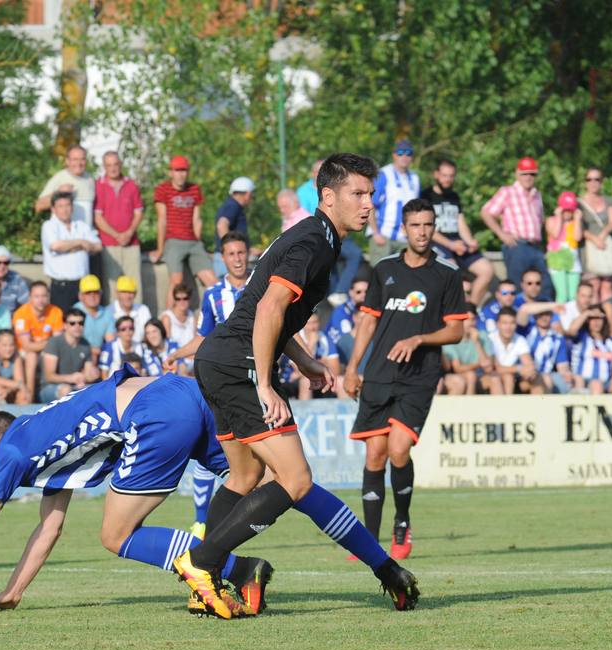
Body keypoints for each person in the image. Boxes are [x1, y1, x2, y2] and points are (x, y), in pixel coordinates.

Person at [190, 152, 420, 612]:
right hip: (239, 365)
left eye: (371, 194)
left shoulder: (319, 238)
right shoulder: (314, 240)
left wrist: (305, 360)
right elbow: (271, 308)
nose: (368, 203)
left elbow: (268, 312)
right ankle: (203, 564)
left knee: (245, 475)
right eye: (358, 193)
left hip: (218, 358)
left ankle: (206, 583)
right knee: (294, 480)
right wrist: (264, 384)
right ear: (328, 196)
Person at [0, 372, 274, 620]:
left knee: (115, 535)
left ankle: (236, 568)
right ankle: (257, 562)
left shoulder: (10, 453)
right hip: (182, 388)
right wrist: (13, 591)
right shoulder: (42, 435)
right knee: (274, 479)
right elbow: (50, 527)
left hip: (156, 410)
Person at [344, 197, 468, 558]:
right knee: (374, 455)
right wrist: (353, 368)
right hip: (380, 373)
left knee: (398, 449)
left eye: (429, 225)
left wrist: (419, 339)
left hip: (419, 377)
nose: (423, 232)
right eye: (416, 225)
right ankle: (368, 540)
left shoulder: (446, 275)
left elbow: (456, 331)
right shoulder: (384, 270)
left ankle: (401, 523)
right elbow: (367, 320)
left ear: (435, 227)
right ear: (404, 228)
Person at [168, 232, 250, 368]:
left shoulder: (262, 285)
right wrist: (175, 355)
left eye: (241, 252)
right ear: (222, 258)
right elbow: (203, 337)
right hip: (228, 368)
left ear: (247, 253)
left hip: (260, 367)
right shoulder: (213, 294)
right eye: (231, 254)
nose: (237, 259)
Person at [427, 158, 494, 308]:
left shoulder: (454, 196)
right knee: (452, 271)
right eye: (444, 175)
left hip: (457, 243)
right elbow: (427, 228)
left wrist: (470, 242)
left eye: (451, 176)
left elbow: (460, 222)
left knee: (487, 270)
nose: (448, 179)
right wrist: (451, 244)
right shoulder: (426, 196)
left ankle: (471, 311)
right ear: (436, 174)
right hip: (437, 243)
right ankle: (451, 312)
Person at [481, 156, 551, 300]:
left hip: (536, 247)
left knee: (545, 286)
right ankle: (517, 320)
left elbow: (541, 221)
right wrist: (502, 235)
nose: (528, 177)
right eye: (524, 173)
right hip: (517, 245)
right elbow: (486, 212)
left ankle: (542, 319)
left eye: (532, 173)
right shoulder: (508, 191)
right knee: (518, 288)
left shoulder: (537, 195)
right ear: (517, 173)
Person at [151, 155, 217, 291]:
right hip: (173, 241)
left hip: (193, 242)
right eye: (177, 171)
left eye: (184, 171)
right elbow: (162, 220)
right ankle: (170, 312)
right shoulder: (163, 189)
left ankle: (225, 312)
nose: (181, 175)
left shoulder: (194, 189)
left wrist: (198, 242)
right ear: (171, 172)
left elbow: (197, 219)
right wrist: (160, 249)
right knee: (177, 284)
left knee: (213, 282)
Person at [94, 152, 144, 299]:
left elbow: (138, 212)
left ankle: (137, 318)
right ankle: (114, 320)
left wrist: (128, 233)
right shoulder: (98, 185)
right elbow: (98, 217)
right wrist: (117, 235)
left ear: (120, 165)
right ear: (104, 167)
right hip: (109, 244)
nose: (113, 168)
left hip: (131, 243)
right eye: (109, 165)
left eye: (115, 164)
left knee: (134, 284)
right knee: (112, 286)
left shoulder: (131, 185)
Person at [41, 190, 101, 309]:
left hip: (83, 285)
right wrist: (81, 243)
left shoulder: (82, 226)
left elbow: (98, 246)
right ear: (53, 209)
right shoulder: (49, 226)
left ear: (72, 207)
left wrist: (69, 246)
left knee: (83, 323)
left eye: (68, 205)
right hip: (61, 287)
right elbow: (56, 246)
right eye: (60, 206)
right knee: (63, 322)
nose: (65, 209)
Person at [369, 139, 420, 264]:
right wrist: (376, 233)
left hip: (405, 239)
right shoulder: (383, 174)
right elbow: (370, 205)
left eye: (408, 153)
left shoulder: (414, 178)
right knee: (381, 277)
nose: (404, 156)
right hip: (383, 236)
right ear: (394, 154)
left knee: (403, 280)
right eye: (400, 152)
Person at [11, 280, 63, 402]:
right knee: (31, 356)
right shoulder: (21, 314)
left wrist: (43, 343)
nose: (41, 300)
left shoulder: (56, 312)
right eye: (36, 296)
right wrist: (48, 341)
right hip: (23, 352)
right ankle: (30, 395)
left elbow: (58, 343)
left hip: (47, 351)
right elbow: (27, 346)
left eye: (44, 296)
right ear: (30, 298)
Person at [576, 168, 612, 302]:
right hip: (588, 248)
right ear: (585, 182)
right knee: (593, 285)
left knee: (607, 285)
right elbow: (577, 228)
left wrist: (603, 235)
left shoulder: (608, 201)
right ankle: (595, 317)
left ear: (602, 182)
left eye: (597, 179)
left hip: (605, 245)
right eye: (589, 179)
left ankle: (608, 317)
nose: (593, 183)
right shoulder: (579, 203)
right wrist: (594, 238)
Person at [37, 309, 97, 401]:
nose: (77, 326)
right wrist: (71, 378)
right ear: (65, 325)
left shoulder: (86, 345)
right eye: (72, 323)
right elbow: (48, 376)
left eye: (81, 323)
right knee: (66, 390)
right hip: (49, 388)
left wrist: (89, 376)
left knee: (97, 390)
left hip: (74, 386)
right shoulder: (55, 342)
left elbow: (88, 373)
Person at [34, 143, 94, 222]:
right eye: (75, 159)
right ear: (67, 161)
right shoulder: (60, 177)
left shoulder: (90, 179)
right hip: (63, 233)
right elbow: (38, 206)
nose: (79, 163)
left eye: (82, 159)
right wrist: (59, 193)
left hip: (86, 233)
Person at [569, 309, 612, 394]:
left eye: (599, 318)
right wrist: (586, 313)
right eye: (593, 318)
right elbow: (571, 330)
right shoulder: (582, 337)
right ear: (588, 320)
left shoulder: (611, 341)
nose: (596, 322)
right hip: (584, 381)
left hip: (607, 381)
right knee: (596, 385)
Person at [487, 308, 539, 395]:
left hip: (511, 376)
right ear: (498, 324)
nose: (508, 327)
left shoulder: (520, 339)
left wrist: (530, 371)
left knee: (538, 378)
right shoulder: (490, 339)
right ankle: (504, 407)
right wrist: (519, 369)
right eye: (505, 323)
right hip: (488, 377)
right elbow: (494, 369)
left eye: (512, 323)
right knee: (503, 378)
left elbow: (528, 363)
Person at [545, 191, 583, 302]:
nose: (567, 213)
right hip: (557, 261)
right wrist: (559, 217)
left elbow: (577, 237)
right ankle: (560, 317)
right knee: (562, 294)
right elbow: (555, 234)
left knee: (573, 296)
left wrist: (577, 219)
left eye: (570, 210)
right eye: (565, 210)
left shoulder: (575, 222)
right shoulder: (551, 220)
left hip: (573, 261)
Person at [527, 308, 574, 394]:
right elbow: (523, 310)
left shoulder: (558, 338)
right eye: (540, 314)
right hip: (527, 373)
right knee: (545, 379)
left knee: (566, 385)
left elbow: (562, 364)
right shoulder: (527, 331)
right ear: (535, 316)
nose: (544, 318)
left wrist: (566, 374)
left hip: (548, 374)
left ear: (552, 316)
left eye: (547, 315)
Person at [159, 285, 196, 369]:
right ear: (174, 300)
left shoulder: (192, 317)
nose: (181, 302)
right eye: (178, 299)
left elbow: (195, 341)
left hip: (190, 359)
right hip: (172, 359)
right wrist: (183, 356)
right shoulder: (167, 318)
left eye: (185, 298)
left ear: (189, 299)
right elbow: (168, 345)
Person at [109, 275, 149, 351]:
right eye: (124, 292)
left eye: (130, 292)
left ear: (135, 294)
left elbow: (148, 334)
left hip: (140, 350)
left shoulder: (143, 309)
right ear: (117, 293)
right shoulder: (108, 312)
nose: (128, 296)